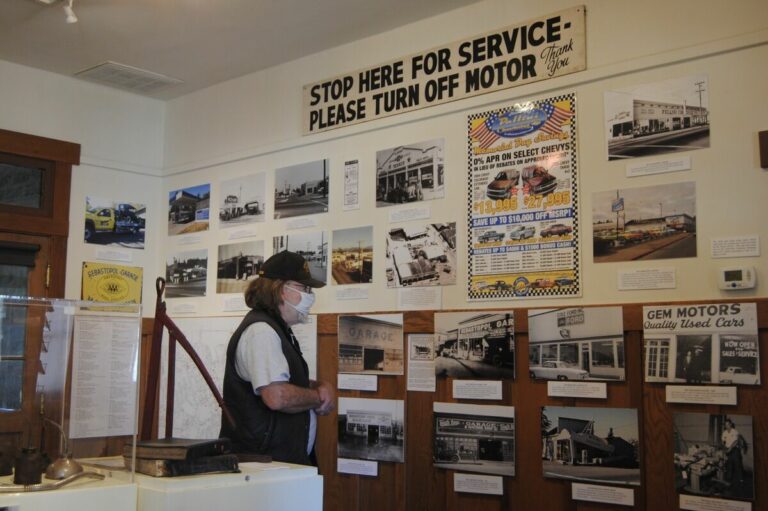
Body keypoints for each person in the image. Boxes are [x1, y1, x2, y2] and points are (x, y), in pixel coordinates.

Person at [220, 250, 335, 466]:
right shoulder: (262, 332)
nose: (310, 296)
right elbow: (277, 396)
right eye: (304, 288)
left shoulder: (279, 329)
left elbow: (283, 379)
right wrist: (319, 396)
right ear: (281, 289)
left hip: (278, 465)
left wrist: (319, 385)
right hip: (263, 468)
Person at [721, 418, 745, 490]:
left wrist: (730, 449)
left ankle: (741, 480)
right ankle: (728, 480)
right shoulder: (724, 432)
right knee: (729, 465)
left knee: (737, 465)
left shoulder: (735, 431)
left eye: (728, 424)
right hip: (728, 450)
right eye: (725, 425)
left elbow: (735, 442)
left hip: (734, 450)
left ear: (731, 424)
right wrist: (724, 448)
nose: (727, 426)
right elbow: (723, 441)